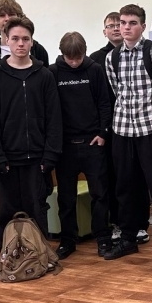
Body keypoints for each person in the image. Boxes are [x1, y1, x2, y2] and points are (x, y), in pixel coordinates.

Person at [105, 4, 152, 261]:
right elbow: (117, 90)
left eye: (132, 23)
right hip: (122, 130)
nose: (126, 27)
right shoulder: (112, 57)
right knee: (125, 187)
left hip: (150, 128)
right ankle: (128, 238)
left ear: (142, 26)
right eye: (122, 23)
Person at [0, 17, 62, 246]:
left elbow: (54, 119)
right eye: (15, 38)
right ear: (6, 40)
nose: (20, 43)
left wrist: (50, 156)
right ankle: (9, 257)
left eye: (25, 39)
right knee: (7, 213)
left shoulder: (44, 75)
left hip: (37, 160)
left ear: (32, 42)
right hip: (7, 160)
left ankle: (39, 257)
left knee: (38, 211)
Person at [49, 31, 112, 259]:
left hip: (92, 143)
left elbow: (104, 102)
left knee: (100, 194)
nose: (74, 62)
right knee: (66, 197)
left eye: (78, 58)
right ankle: (68, 240)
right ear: (62, 54)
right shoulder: (53, 72)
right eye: (70, 58)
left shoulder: (94, 70)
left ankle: (102, 237)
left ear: (84, 52)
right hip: (65, 146)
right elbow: (49, 109)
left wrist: (103, 133)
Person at [88, 11, 142, 244]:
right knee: (112, 177)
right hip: (108, 127)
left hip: (134, 124)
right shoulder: (96, 59)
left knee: (135, 176)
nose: (116, 29)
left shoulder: (141, 53)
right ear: (105, 31)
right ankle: (117, 223)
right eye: (111, 26)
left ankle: (139, 223)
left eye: (118, 24)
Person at [0, 0, 50, 66]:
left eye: (11, 14)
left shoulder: (37, 50)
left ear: (19, 17)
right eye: (1, 15)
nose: (7, 19)